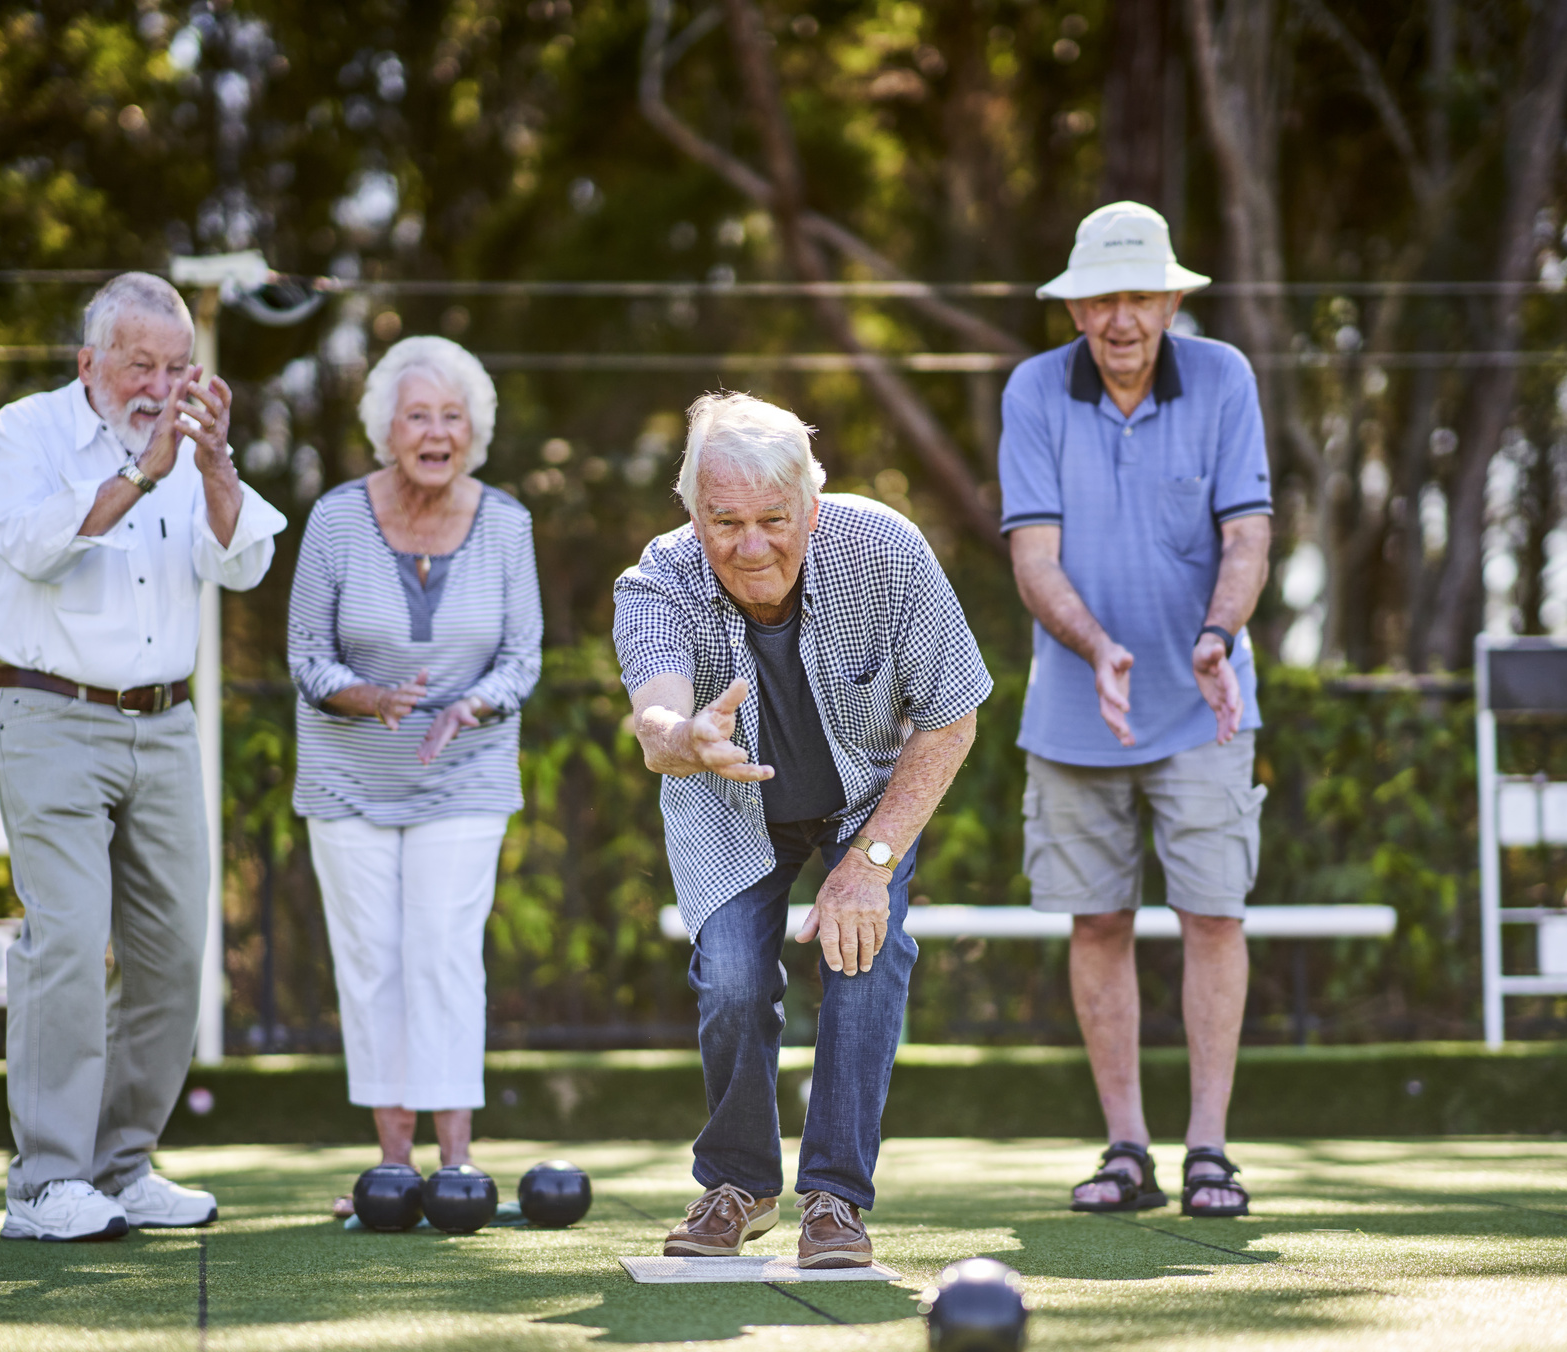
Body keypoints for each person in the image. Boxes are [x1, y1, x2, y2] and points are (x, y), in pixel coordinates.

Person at [614, 392, 991, 1267]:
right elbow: (656, 716)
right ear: (694, 513)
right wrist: (686, 739)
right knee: (736, 975)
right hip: (729, 798)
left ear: (812, 508)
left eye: (773, 520)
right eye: (725, 521)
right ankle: (739, 1186)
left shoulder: (888, 553)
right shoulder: (660, 576)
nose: (750, 546)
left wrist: (869, 864)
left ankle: (835, 1198)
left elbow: (952, 718)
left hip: (865, 801)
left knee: (867, 948)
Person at [0, 271, 285, 1242]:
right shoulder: (21, 434)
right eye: (138, 362)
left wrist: (216, 462)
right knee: (66, 937)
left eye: (176, 365)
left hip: (163, 725)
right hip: (49, 713)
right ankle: (45, 1184)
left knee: (174, 956)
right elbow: (31, 546)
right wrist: (147, 469)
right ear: (89, 363)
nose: (157, 383)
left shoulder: (192, 451)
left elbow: (244, 561)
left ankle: (122, 1162)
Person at [998, 201, 1274, 1219]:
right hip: (1078, 706)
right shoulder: (1032, 392)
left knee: (1213, 913)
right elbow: (1035, 558)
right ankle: (1127, 1148)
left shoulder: (1224, 378)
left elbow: (1247, 535)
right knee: (1099, 920)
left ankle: (1210, 1150)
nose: (1123, 319)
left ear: (1171, 301)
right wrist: (1100, 646)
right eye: (1103, 298)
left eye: (1141, 296)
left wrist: (1216, 635)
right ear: (1074, 311)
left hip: (1207, 702)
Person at [287, 337, 542, 1212]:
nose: (436, 432)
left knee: (442, 954)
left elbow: (522, 659)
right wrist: (369, 698)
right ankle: (389, 1175)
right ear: (386, 430)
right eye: (418, 415)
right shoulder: (334, 520)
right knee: (373, 963)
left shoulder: (507, 523)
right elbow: (307, 657)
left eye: (452, 416)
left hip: (463, 775)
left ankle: (458, 1166)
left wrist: (472, 706)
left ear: (474, 431)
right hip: (348, 778)